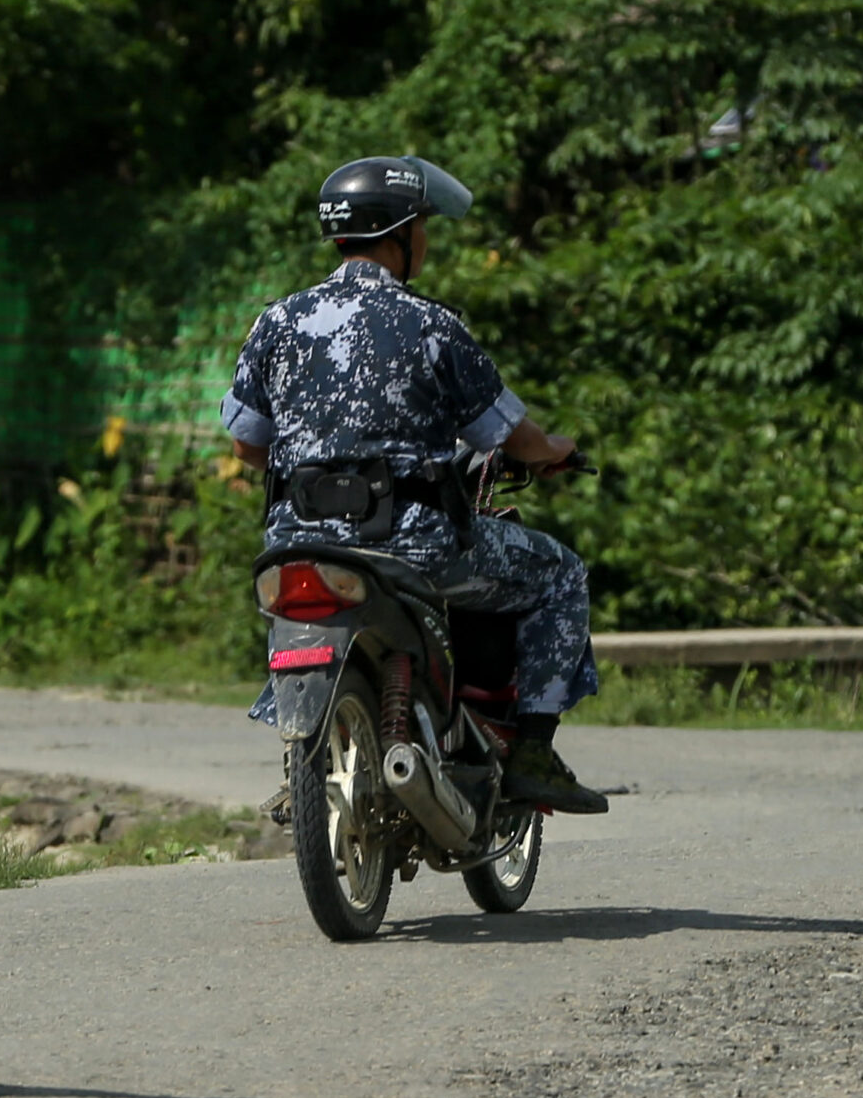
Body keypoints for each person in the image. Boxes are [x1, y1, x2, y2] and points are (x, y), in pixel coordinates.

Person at [221, 155, 608, 814]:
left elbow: (246, 444)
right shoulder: (433, 324)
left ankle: (307, 764)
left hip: (297, 541)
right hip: (413, 545)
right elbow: (512, 437)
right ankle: (534, 752)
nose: (425, 241)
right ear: (399, 233)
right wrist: (554, 452)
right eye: (422, 228)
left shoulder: (276, 322)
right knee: (560, 573)